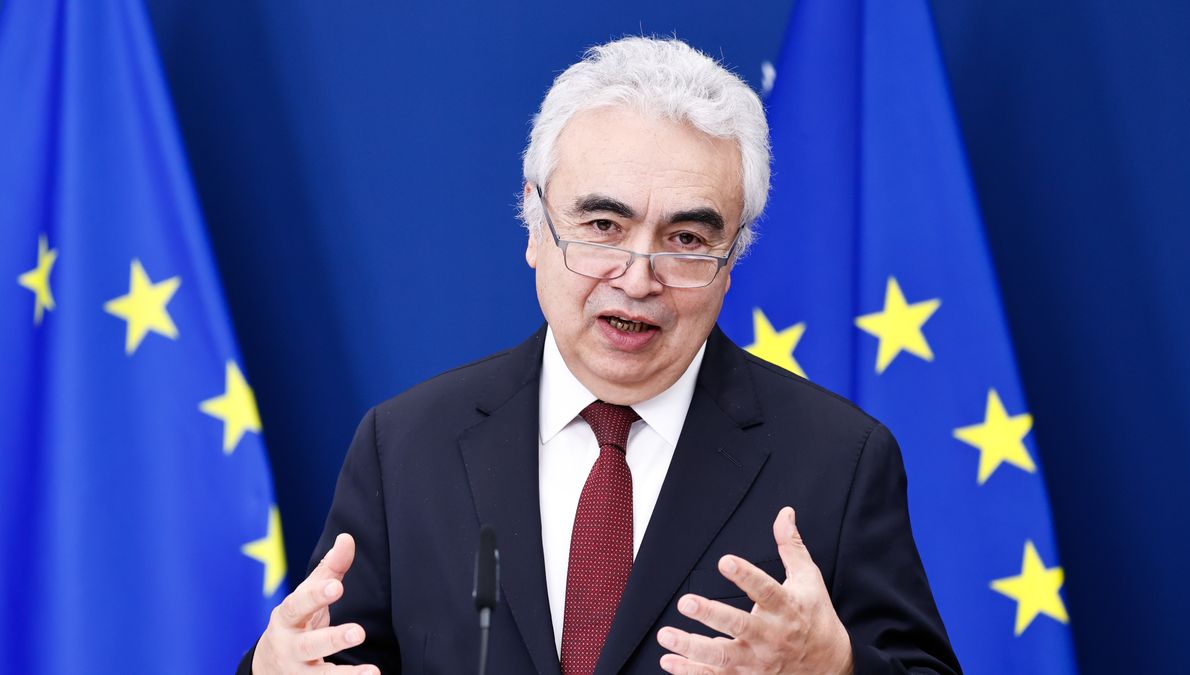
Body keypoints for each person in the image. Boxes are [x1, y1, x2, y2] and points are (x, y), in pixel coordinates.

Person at [241, 37, 961, 674]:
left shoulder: (838, 461)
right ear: (535, 224)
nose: (638, 277)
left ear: (731, 259)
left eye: (686, 239)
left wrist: (834, 666)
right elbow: (321, 658)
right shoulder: (405, 446)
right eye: (604, 224)